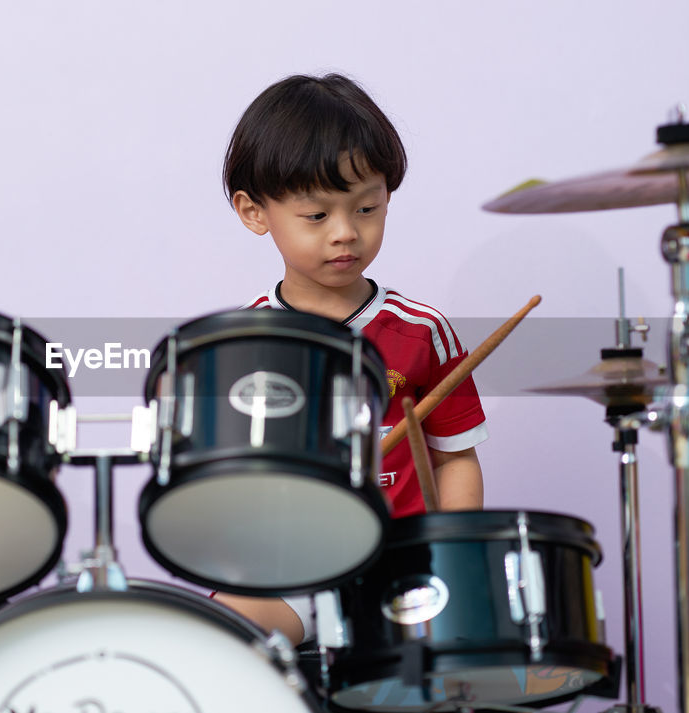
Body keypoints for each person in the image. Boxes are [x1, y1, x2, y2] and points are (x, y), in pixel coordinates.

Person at [211, 73, 489, 644]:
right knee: (219, 632)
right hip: (291, 575)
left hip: (404, 571)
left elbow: (456, 460)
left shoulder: (422, 331)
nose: (346, 233)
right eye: (317, 216)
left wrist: (447, 552)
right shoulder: (243, 342)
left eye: (367, 208)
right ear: (253, 212)